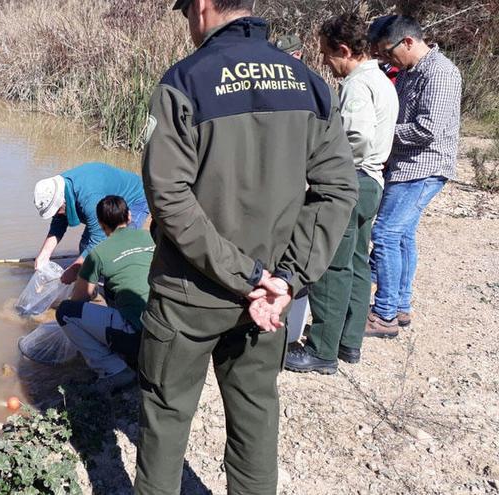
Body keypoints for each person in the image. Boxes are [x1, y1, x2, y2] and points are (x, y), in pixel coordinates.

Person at [136, 0, 358, 493]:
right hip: (270, 300)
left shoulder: (185, 81)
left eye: (185, 11)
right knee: (256, 415)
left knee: (166, 418)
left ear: (203, 6)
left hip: (188, 296)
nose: (187, 21)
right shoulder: (308, 82)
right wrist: (285, 278)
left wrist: (249, 275)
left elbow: (167, 194)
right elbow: (339, 188)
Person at [284, 13, 400, 374]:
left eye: (326, 54)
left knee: (331, 266)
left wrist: (327, 166)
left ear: (345, 50)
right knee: (357, 263)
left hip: (351, 180)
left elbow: (358, 136)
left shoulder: (356, 85)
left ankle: (321, 350)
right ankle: (349, 342)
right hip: (374, 182)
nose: (325, 62)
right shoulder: (382, 80)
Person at [366, 15, 461, 338]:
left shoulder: (441, 73)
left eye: (386, 52)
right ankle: (400, 306)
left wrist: (380, 132)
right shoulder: (411, 71)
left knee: (386, 235)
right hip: (406, 165)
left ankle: (384, 314)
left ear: (407, 42)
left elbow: (427, 128)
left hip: (423, 167)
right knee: (402, 236)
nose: (385, 59)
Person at [55, 195, 154, 393]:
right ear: (129, 216)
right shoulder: (151, 237)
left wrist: (86, 287)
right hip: (167, 327)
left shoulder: (98, 254)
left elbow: (79, 300)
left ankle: (115, 371)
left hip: (139, 337)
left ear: (101, 224)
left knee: (65, 312)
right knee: (111, 287)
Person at [33, 162, 150, 284]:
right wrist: (44, 255)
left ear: (63, 201)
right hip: (103, 201)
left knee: (122, 245)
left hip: (135, 199)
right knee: (84, 246)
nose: (58, 214)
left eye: (57, 210)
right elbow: (59, 222)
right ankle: (92, 281)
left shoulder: (89, 199)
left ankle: (120, 282)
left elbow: (98, 240)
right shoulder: (60, 189)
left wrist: (73, 270)